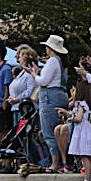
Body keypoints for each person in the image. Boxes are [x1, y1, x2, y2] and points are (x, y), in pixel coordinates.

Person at [34, 35, 71, 172]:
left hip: (49, 96)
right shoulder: (60, 62)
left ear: (50, 48)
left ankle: (55, 163)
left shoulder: (52, 61)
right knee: (59, 130)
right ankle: (63, 161)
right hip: (60, 94)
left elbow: (43, 81)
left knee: (49, 131)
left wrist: (34, 74)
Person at [66, 78, 91, 181]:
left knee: (84, 155)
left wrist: (71, 119)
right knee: (90, 155)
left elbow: (79, 118)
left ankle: (87, 179)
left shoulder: (81, 103)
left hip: (83, 131)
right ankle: (89, 178)